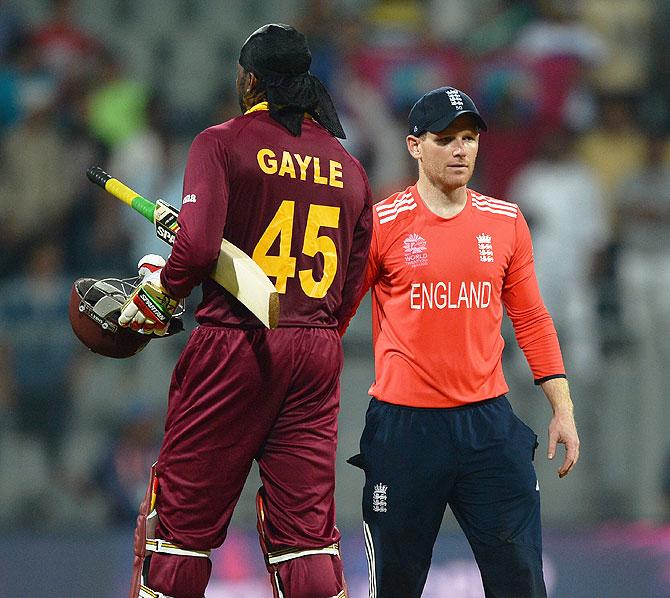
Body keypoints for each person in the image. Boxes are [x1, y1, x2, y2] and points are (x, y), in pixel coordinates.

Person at [117, 24, 372, 598]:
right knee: (305, 537)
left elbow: (199, 247)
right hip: (316, 351)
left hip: (236, 343)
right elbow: (352, 283)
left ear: (250, 79)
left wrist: (161, 291)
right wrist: (310, 338)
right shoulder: (349, 167)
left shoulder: (221, 142)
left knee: (178, 527)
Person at [343, 87, 580, 597]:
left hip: (488, 426)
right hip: (404, 431)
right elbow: (334, 318)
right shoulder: (382, 224)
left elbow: (532, 319)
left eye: (469, 138)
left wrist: (562, 408)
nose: (460, 150)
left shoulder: (506, 221)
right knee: (395, 586)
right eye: (445, 138)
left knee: (521, 583)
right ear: (414, 146)